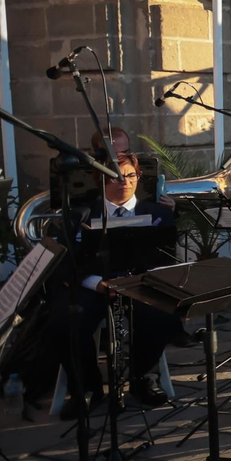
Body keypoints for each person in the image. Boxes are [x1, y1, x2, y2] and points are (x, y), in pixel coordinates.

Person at [43, 151, 182, 417]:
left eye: (131, 175)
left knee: (162, 315)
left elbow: (166, 258)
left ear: (138, 178)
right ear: (100, 180)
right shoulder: (78, 215)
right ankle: (87, 387)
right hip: (93, 285)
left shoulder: (158, 214)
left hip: (139, 284)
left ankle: (140, 377)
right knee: (65, 320)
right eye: (115, 176)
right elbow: (64, 264)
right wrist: (97, 284)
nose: (124, 181)